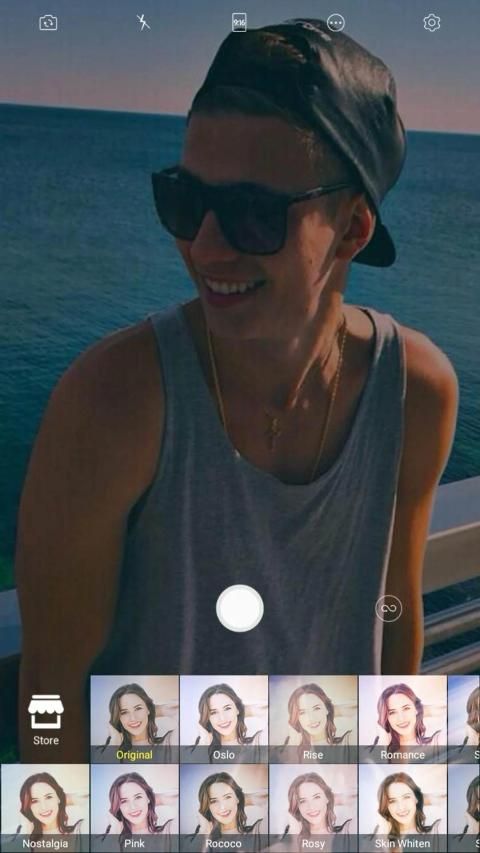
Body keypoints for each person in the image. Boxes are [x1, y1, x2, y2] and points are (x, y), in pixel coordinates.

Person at [17, 18, 458, 761]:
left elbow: (392, 614)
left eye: (254, 213)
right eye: (185, 200)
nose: (205, 245)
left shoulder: (416, 393)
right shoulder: (114, 404)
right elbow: (49, 686)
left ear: (353, 228)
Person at [268, 772, 351, 852]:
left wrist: (343, 799)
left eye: (316, 797)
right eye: (303, 801)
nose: (311, 807)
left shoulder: (346, 831)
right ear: (297, 807)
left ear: (327, 798)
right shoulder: (288, 842)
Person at [6, 772, 87, 852]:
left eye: (48, 797)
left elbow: (92, 801)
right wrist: (26, 833)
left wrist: (70, 799)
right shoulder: (25, 840)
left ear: (58, 797)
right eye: (35, 801)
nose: (43, 807)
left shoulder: (79, 831)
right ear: (28, 807)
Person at [97, 772, 175, 852]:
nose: (133, 807)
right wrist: (114, 832)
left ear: (148, 797)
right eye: (124, 801)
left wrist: (158, 799)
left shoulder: (168, 832)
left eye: (138, 797)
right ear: (118, 806)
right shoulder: (106, 840)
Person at [188, 771, 265, 852]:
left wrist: (250, 799)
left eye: (227, 797)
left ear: (237, 797)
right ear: (207, 806)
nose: (222, 807)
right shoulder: (195, 840)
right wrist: (204, 832)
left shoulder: (257, 832)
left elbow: (272, 802)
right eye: (214, 801)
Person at [191, 682, 266, 762]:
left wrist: (247, 710)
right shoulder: (202, 748)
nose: (222, 718)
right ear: (208, 718)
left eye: (227, 708)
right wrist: (204, 742)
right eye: (213, 712)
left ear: (237, 708)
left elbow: (272, 715)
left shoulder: (256, 744)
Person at [373, 772, 442, 852]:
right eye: (392, 801)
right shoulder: (378, 840)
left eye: (406, 797)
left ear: (416, 798)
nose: (401, 807)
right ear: (386, 807)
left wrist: (430, 799)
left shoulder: (436, 832)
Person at [374, 683, 442, 758]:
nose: (401, 718)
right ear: (386, 718)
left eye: (406, 708)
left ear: (416, 709)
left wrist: (428, 711)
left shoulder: (436, 743)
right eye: (392, 712)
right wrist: (383, 743)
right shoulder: (379, 750)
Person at [102, 683, 176, 751]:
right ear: (118, 718)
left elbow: (180, 712)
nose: (133, 718)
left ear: (148, 708)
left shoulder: (168, 743)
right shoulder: (103, 751)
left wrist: (160, 710)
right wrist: (114, 744)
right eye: (124, 712)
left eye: (138, 708)